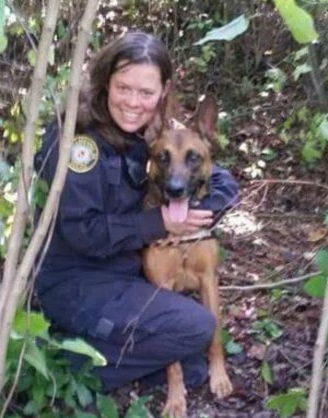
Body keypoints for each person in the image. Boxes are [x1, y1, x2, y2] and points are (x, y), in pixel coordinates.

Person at [34, 31, 239, 393]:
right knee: (194, 328)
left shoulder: (155, 133)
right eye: (123, 88)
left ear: (163, 92)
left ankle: (110, 348)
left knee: (191, 366)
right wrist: (158, 223)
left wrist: (194, 213)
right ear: (105, 84)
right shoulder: (78, 141)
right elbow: (85, 234)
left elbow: (219, 179)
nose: (133, 102)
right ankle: (69, 368)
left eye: (145, 92)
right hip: (77, 282)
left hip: (124, 277)